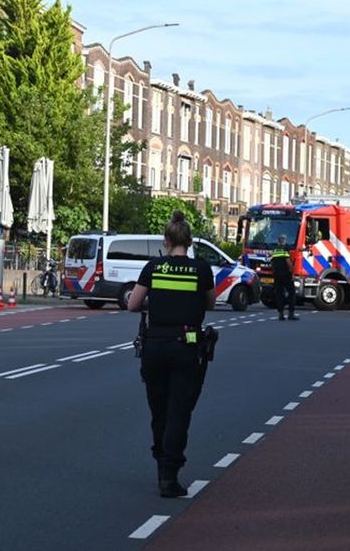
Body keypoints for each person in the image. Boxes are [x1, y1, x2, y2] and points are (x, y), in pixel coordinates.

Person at [127, 211, 215, 498]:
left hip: (154, 345)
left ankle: (159, 465)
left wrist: (159, 300)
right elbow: (210, 304)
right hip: (186, 345)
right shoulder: (201, 269)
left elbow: (133, 304)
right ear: (189, 242)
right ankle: (169, 475)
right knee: (179, 411)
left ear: (166, 241)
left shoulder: (153, 267)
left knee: (159, 411)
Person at [270, 234, 299, 321]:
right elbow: (288, 262)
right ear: (283, 241)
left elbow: (272, 262)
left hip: (277, 275)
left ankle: (281, 314)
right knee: (292, 292)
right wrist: (292, 272)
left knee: (279, 294)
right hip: (286, 274)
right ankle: (291, 313)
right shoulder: (285, 249)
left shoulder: (274, 250)